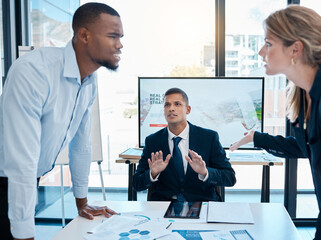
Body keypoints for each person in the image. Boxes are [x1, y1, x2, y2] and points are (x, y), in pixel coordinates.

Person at [230, 5, 321, 240]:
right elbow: (304, 147)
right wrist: (256, 138)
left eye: (269, 43)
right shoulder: (305, 94)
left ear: (295, 49)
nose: (261, 51)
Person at [0, 2, 124, 239]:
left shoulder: (88, 81)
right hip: (9, 176)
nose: (120, 44)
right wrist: (26, 234)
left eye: (121, 37)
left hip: (26, 178)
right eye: (112, 36)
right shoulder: (34, 71)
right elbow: (21, 162)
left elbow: (81, 144)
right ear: (84, 35)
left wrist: (82, 202)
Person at [133, 88, 236, 202]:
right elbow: (137, 184)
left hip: (201, 204)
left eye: (177, 104)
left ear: (188, 109)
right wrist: (152, 173)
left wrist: (205, 172)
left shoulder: (209, 137)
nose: (171, 108)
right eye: (167, 105)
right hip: (163, 207)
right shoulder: (152, 141)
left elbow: (230, 178)